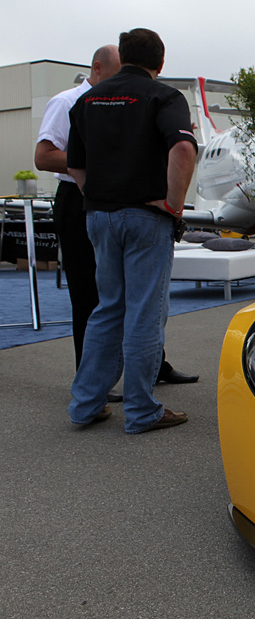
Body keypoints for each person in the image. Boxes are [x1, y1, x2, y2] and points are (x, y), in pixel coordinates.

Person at [34, 45, 197, 390]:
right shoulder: (70, 102)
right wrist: (109, 171)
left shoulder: (121, 99)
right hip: (86, 199)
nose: (126, 81)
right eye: (119, 72)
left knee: (128, 299)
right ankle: (98, 381)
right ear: (97, 68)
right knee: (96, 296)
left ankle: (147, 368)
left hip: (106, 202)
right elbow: (44, 156)